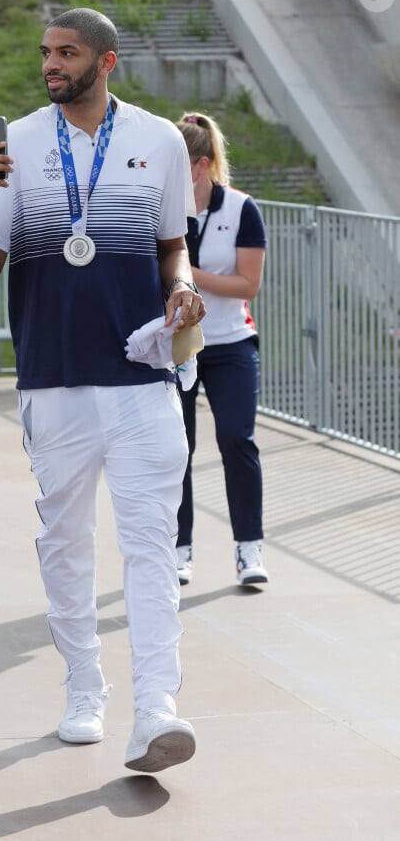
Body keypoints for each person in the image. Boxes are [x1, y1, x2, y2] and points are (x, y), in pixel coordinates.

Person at [0, 8, 206, 773]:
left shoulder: (161, 141)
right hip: (54, 378)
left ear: (106, 62)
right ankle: (83, 691)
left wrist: (185, 292)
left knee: (151, 546)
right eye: (45, 53)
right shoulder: (20, 143)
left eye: (66, 53)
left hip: (141, 376)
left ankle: (157, 711)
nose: (50, 65)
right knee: (66, 544)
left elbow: (173, 251)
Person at [173, 111, 268, 588]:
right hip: (178, 343)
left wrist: (187, 274)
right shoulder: (163, 204)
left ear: (202, 164)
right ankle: (180, 550)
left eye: (178, 160)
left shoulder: (241, 209)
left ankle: (248, 549)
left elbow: (248, 283)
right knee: (177, 449)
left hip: (231, 342)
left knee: (236, 438)